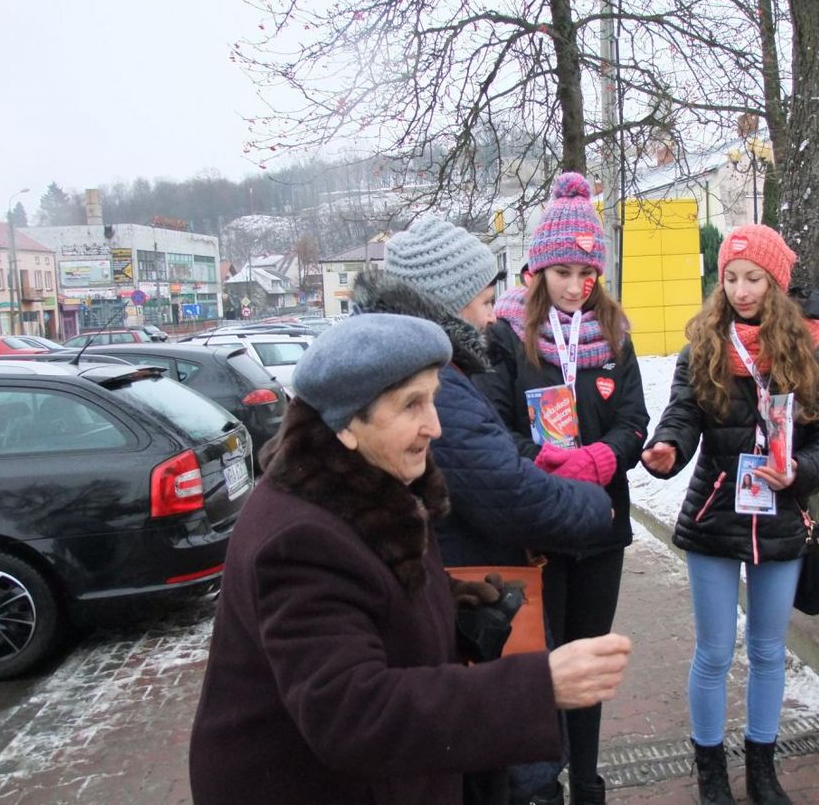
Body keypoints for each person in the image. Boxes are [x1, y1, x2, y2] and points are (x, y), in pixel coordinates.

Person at [189, 314, 632, 805]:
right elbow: (352, 712)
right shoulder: (300, 540)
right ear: (346, 424)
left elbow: (363, 596)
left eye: (433, 398)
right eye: (411, 405)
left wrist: (450, 603)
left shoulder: (364, 487)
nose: (435, 426)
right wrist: (537, 686)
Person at [349, 216, 616, 805]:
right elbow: (507, 490)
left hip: (460, 580)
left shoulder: (429, 369)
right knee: (515, 759)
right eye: (486, 300)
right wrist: (593, 502)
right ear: (446, 305)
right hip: (480, 586)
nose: (493, 314)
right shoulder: (438, 378)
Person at [641, 224, 819, 805]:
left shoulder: (810, 351)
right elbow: (682, 414)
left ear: (776, 282)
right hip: (715, 514)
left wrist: (800, 470)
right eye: (730, 278)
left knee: (766, 650)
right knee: (713, 651)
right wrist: (668, 449)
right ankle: (710, 770)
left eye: (753, 277)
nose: (740, 289)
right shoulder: (703, 346)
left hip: (779, 516)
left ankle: (762, 765)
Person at [476, 173, 649, 805]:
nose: (575, 287)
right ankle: (542, 781)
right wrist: (543, 462)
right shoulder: (508, 339)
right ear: (538, 269)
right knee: (545, 664)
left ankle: (589, 781)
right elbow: (495, 429)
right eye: (562, 272)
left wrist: (602, 459)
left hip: (601, 528)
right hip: (539, 532)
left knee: (591, 661)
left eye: (586, 273)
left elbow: (635, 421)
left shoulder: (617, 337)